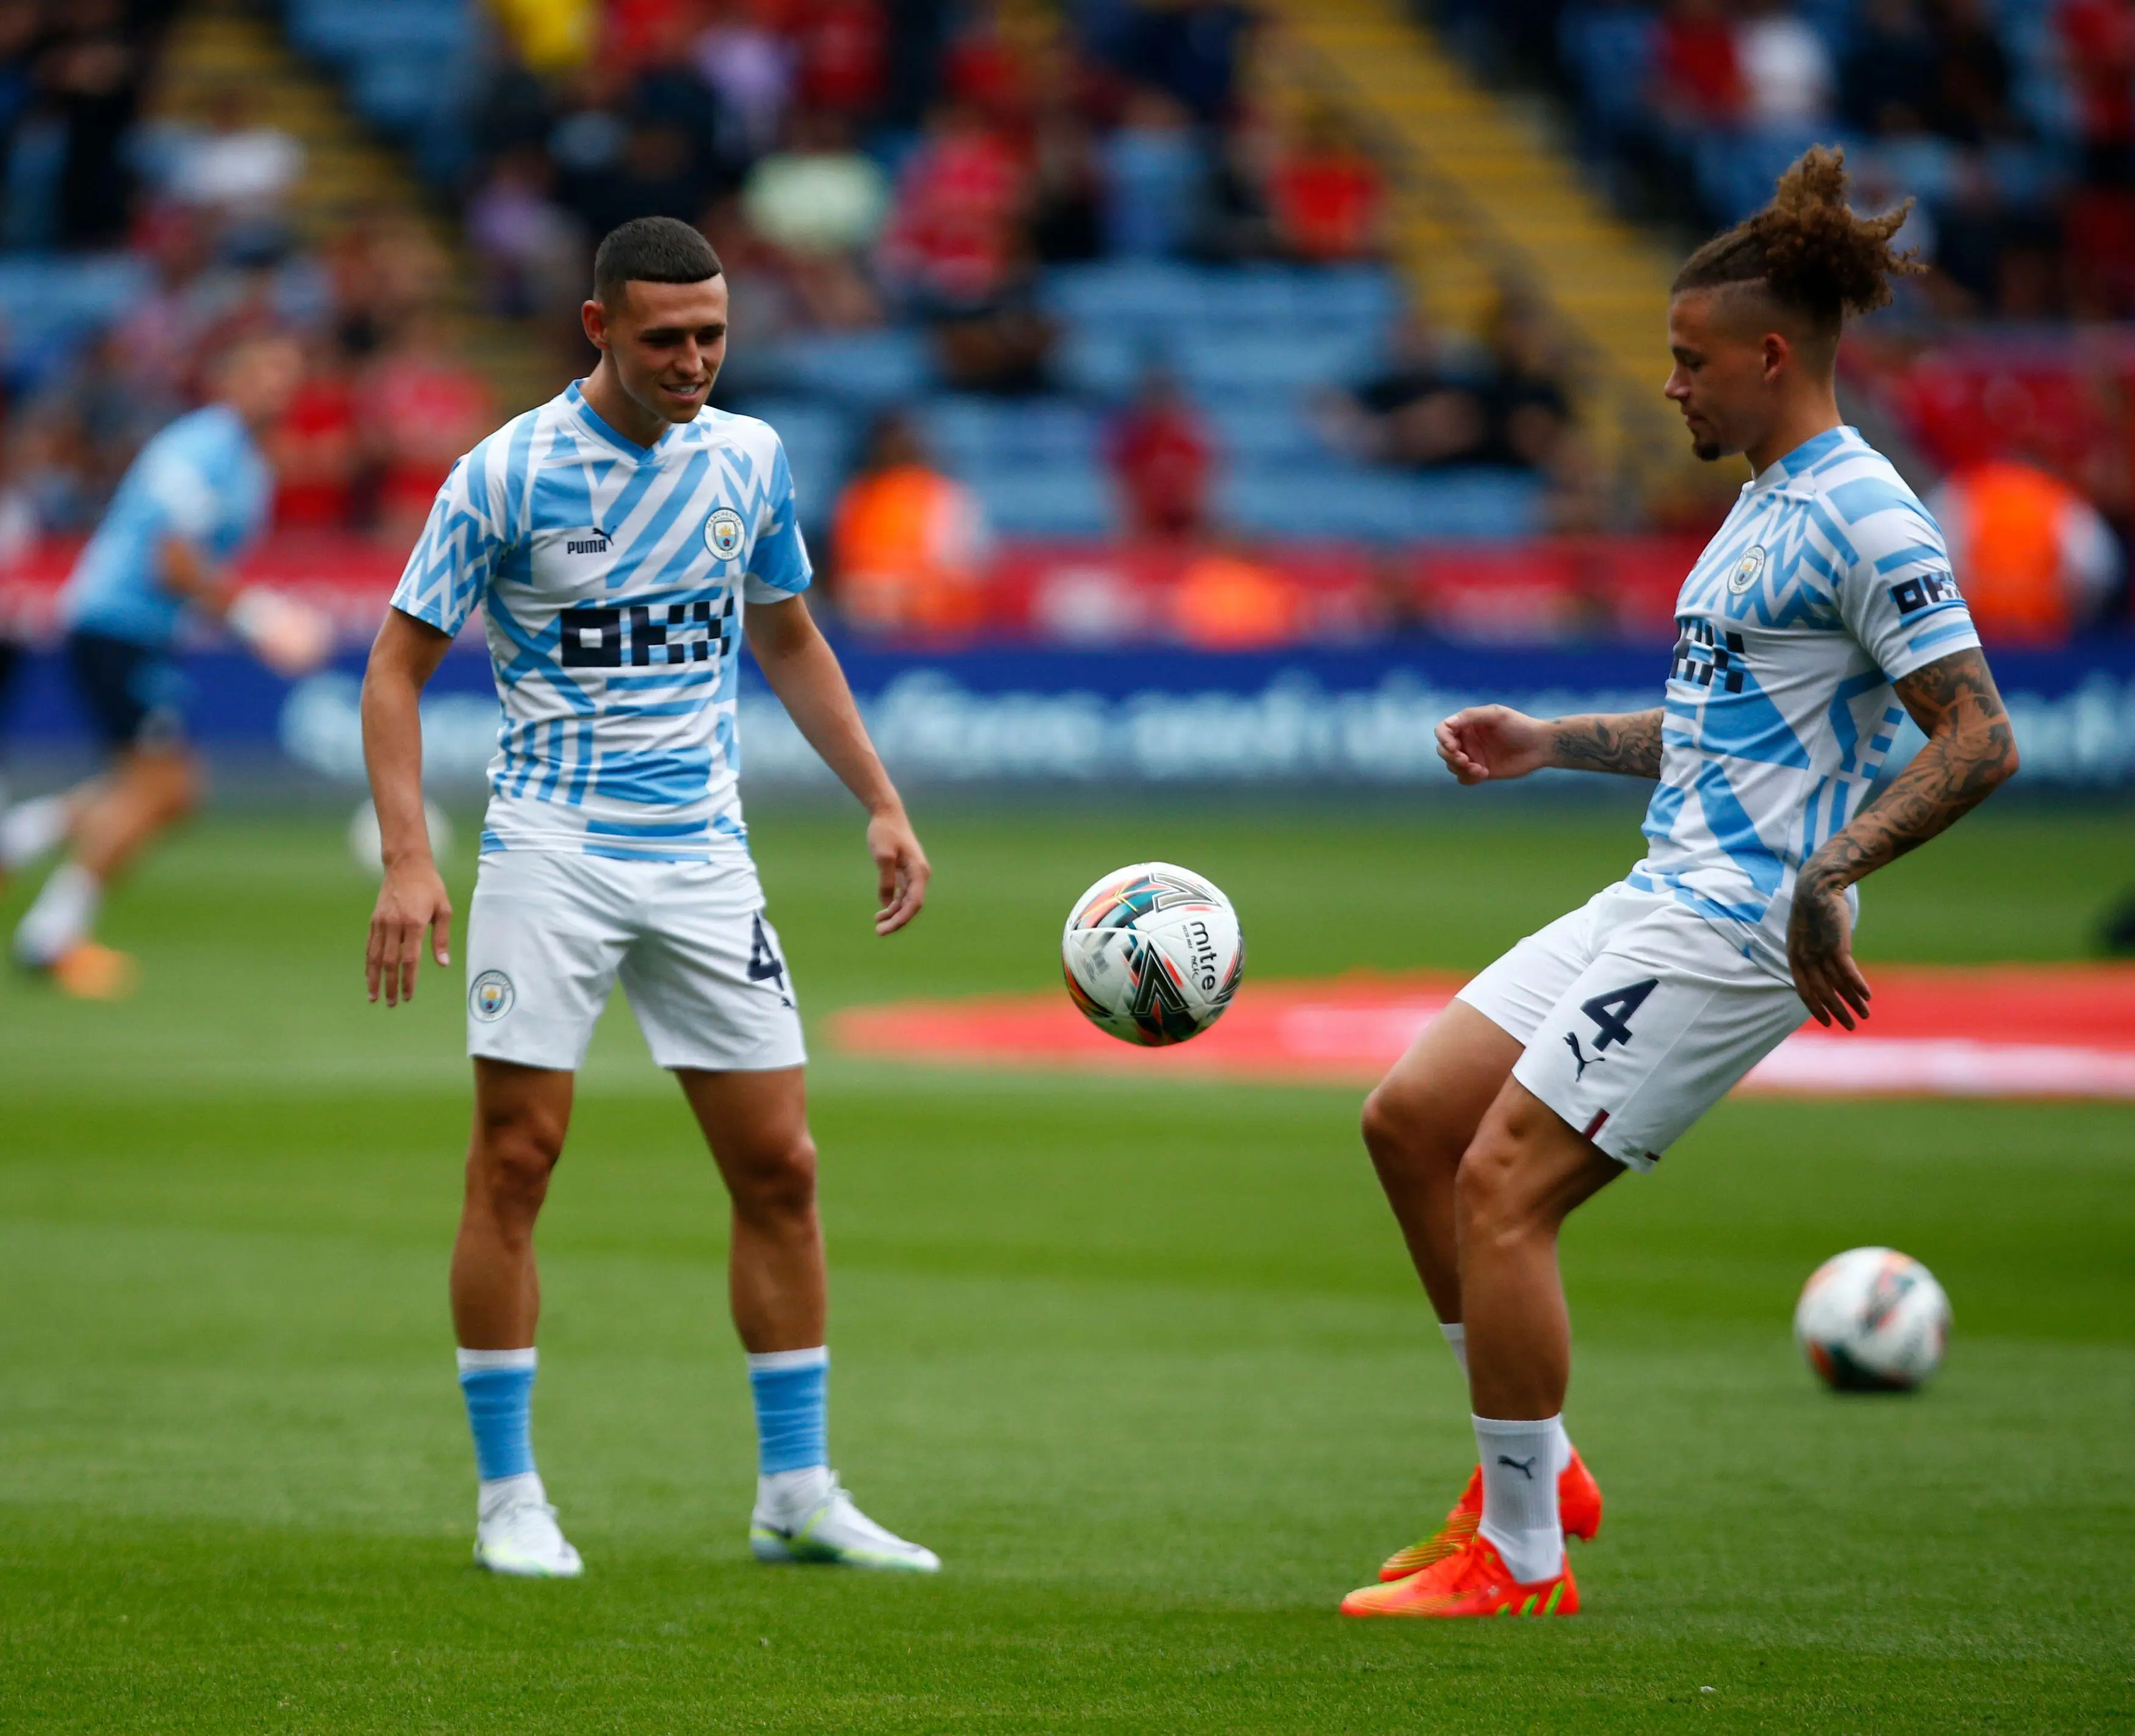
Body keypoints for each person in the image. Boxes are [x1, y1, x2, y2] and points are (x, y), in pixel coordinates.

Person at [1341, 147, 2018, 1619]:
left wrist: (1836, 865)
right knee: (1410, 1121)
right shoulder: (1764, 500)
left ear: (1770, 358)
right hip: (1665, 885)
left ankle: (1521, 1557)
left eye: (1689, 360)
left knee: (1502, 1184)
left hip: (1743, 920)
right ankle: (1535, 1460)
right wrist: (1551, 743)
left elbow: (1979, 733)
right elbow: (1724, 732)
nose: (1669, 386)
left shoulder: (1866, 513)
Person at [359, 215, 939, 1580]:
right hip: (551, 854)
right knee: (516, 1160)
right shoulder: (505, 474)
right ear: (599, 326)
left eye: (712, 336)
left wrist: (880, 798)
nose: (693, 361)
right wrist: (408, 857)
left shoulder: (750, 459)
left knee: (781, 1168)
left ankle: (796, 1491)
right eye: (666, 337)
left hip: (704, 860)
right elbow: (394, 670)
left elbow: (787, 633)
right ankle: (510, 1498)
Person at [2, 328, 329, 998]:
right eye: (262, 373)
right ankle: (50, 937)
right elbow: (170, 560)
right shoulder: (200, 448)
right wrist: (260, 618)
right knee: (163, 785)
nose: (276, 389)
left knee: (164, 790)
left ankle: (19, 839)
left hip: (141, 635)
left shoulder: (248, 464)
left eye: (285, 376)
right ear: (228, 382)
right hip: (111, 625)